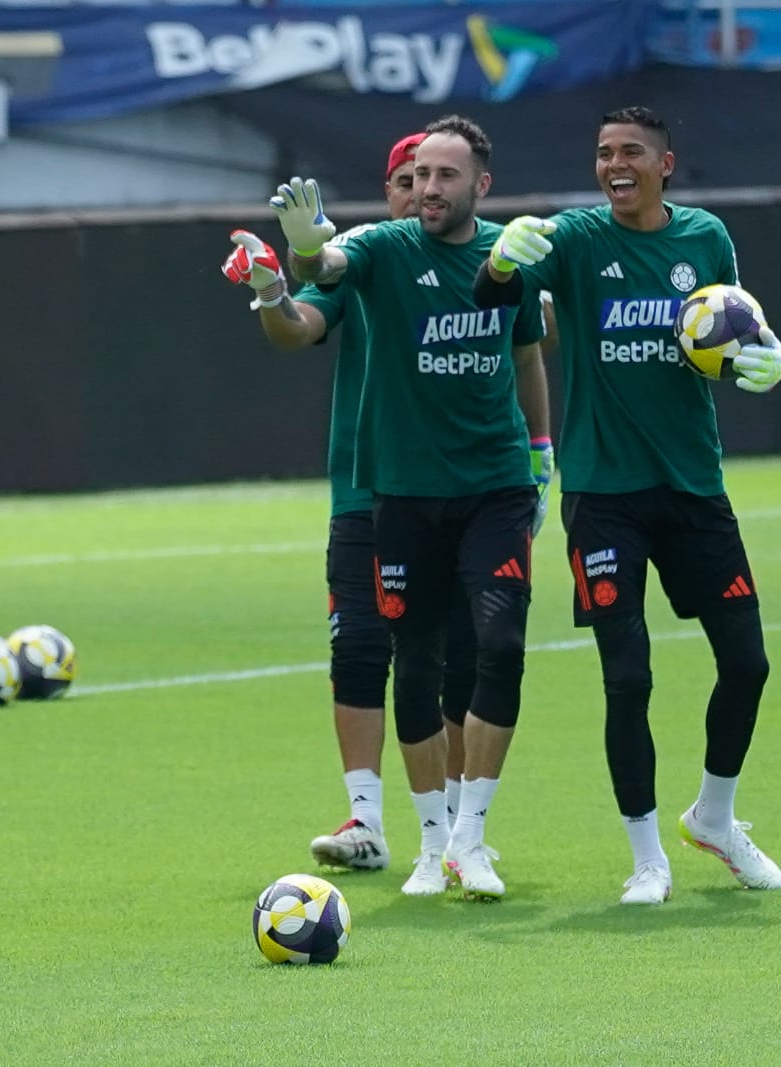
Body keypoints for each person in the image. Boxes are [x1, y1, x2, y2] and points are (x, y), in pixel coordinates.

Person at [473, 106, 781, 905]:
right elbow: (489, 293)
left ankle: (714, 816)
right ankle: (647, 858)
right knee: (628, 678)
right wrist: (505, 261)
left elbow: (732, 328)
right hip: (602, 495)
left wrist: (766, 355)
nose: (614, 165)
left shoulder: (705, 239)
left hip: (692, 486)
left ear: (665, 164)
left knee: (748, 663)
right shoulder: (577, 239)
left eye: (630, 154)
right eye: (603, 153)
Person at [234, 115, 551, 899]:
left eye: (439, 176)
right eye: (411, 180)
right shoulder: (377, 255)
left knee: (475, 653)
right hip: (375, 485)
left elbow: (526, 346)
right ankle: (376, 820)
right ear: (389, 190)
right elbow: (308, 303)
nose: (424, 191)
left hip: (483, 483)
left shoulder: (499, 257)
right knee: (369, 649)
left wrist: (541, 451)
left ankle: (456, 830)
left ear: (477, 182)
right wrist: (281, 277)